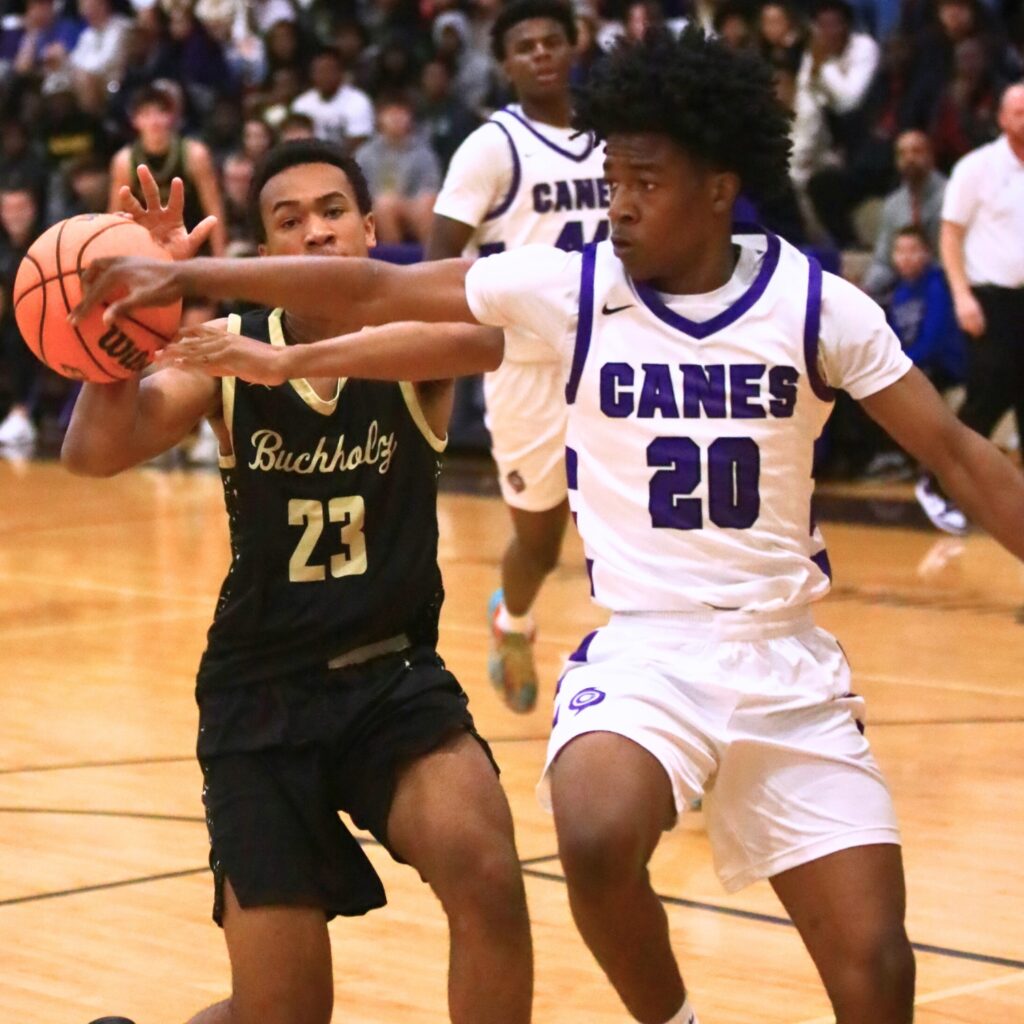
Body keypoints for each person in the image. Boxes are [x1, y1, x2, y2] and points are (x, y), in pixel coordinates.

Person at [77, 30, 1024, 1024]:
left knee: (874, 969)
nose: (619, 203)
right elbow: (371, 292)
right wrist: (191, 294)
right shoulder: (570, 285)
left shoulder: (815, 305)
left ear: (718, 189)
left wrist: (265, 340)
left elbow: (962, 456)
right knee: (574, 845)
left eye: (644, 183)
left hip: (751, 661)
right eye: (613, 181)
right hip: (606, 654)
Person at [66, 140, 533, 1024]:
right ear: (266, 250)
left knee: (488, 874)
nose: (314, 232)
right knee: (282, 1012)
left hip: (392, 677)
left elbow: (489, 339)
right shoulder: (223, 356)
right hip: (260, 696)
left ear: (369, 229)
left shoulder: (417, 344)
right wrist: (126, 329)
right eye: (289, 220)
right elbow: (92, 453)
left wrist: (288, 364)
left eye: (332, 212)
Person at [426, 0, 608, 714]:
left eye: (551, 41)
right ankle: (513, 619)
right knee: (540, 540)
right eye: (525, 46)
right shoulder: (491, 146)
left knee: (632, 530)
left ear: (574, 45)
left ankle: (649, 683)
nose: (540, 54)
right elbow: (441, 255)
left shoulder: (611, 132)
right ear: (505, 63)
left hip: (611, 353)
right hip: (525, 367)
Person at [916, 82, 1024, 534]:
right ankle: (936, 483)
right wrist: (962, 295)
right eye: (1019, 111)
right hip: (989, 299)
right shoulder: (977, 167)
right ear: (1002, 117)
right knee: (987, 397)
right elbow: (950, 235)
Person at [108, 83, 227, 257]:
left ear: (172, 117)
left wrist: (220, 257)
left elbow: (214, 210)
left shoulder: (195, 154)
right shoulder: (124, 161)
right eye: (146, 114)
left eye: (160, 113)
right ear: (135, 120)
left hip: (192, 244)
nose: (154, 121)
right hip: (147, 249)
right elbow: (114, 216)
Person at [861, 130, 947, 301]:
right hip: (905, 289)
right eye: (903, 154)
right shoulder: (893, 204)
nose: (909, 159)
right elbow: (884, 260)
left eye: (916, 151)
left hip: (946, 285)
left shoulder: (951, 195)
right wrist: (866, 289)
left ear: (931, 156)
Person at [357, 94, 441, 245]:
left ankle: (433, 255)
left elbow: (430, 188)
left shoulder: (423, 153)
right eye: (391, 113)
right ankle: (395, 256)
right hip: (376, 208)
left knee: (427, 203)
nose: (396, 118)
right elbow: (358, 190)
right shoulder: (365, 153)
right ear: (379, 118)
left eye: (401, 113)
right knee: (384, 205)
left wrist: (403, 204)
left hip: (413, 209)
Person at [0, 186, 44, 447]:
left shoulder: (47, 243)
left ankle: (22, 414)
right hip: (8, 320)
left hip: (44, 322)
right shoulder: (3, 248)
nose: (14, 215)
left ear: (32, 209)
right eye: (8, 209)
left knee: (19, 337)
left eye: (20, 208)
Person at [291, 45, 374, 153]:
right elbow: (295, 141)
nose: (324, 75)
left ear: (341, 73)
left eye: (329, 70)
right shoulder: (301, 103)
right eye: (319, 71)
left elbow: (359, 143)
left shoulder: (358, 101)